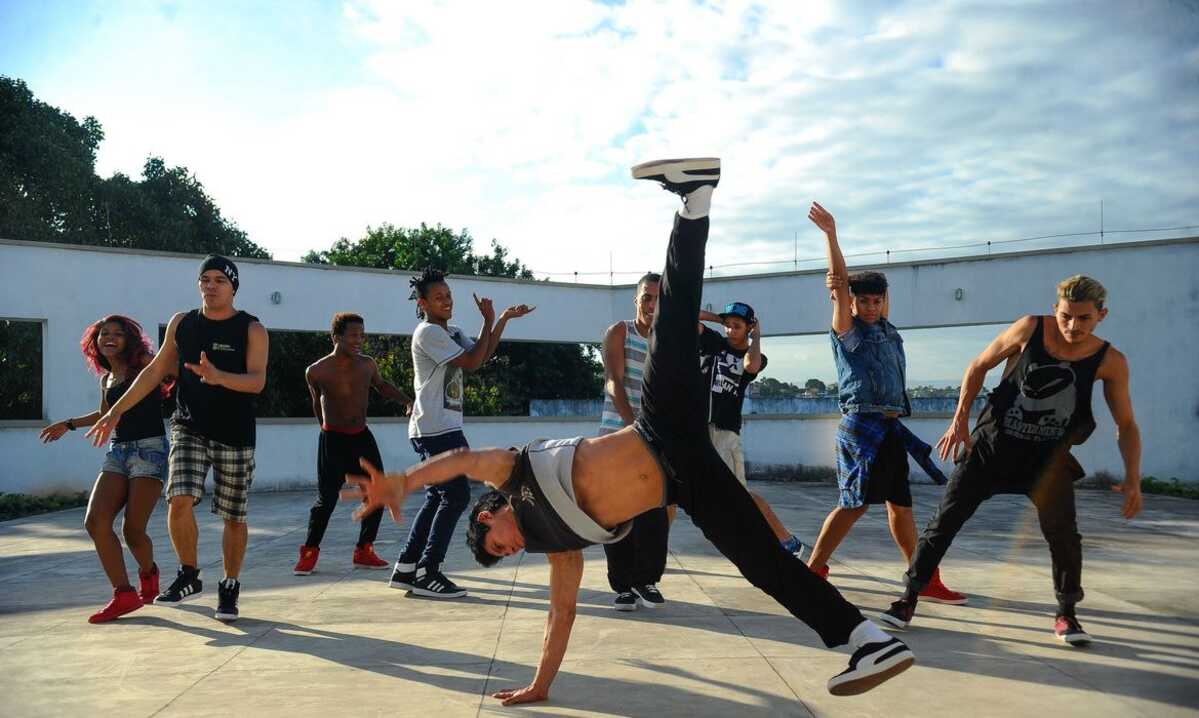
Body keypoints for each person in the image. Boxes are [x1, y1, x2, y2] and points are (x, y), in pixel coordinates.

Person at [346, 159, 914, 705]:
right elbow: (560, 616)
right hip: (685, 482)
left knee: (670, 319)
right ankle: (867, 640)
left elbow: (462, 463)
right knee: (761, 563)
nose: (512, 548)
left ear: (489, 513)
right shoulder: (560, 547)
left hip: (660, 427)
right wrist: (541, 684)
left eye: (499, 543)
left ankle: (694, 202)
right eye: (506, 554)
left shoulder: (510, 474)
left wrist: (404, 481)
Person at [879, 275, 1142, 646]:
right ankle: (907, 600)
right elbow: (978, 365)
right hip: (990, 450)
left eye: (1084, 318)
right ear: (1056, 309)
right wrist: (960, 420)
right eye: (1067, 316)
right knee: (944, 523)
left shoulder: (1110, 361)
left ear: (1101, 315)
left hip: (1047, 463)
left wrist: (1133, 476)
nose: (1073, 326)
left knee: (1064, 537)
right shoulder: (1029, 328)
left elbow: (1126, 424)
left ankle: (1067, 614)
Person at [88, 255, 268, 623]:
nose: (211, 285)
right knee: (179, 498)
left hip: (235, 433)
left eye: (220, 279)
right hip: (189, 426)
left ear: (233, 286)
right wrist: (115, 410)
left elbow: (257, 381)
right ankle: (189, 573)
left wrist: (219, 377)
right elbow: (155, 371)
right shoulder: (182, 324)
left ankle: (230, 584)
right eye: (205, 278)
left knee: (233, 515)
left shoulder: (252, 329)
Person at [803, 203, 965, 607]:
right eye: (865, 301)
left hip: (891, 428)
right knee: (853, 504)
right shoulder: (848, 332)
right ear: (853, 303)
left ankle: (922, 577)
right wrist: (831, 236)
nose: (872, 307)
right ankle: (813, 570)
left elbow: (870, 292)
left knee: (901, 506)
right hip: (861, 428)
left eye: (878, 300)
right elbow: (839, 284)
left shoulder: (887, 329)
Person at [388, 267, 534, 598]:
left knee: (438, 497)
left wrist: (499, 320)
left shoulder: (451, 332)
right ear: (423, 302)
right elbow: (470, 361)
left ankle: (408, 567)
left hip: (442, 427)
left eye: (449, 295)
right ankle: (428, 570)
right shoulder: (428, 333)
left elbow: (481, 356)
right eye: (438, 298)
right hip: (435, 428)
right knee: (455, 496)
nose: (447, 302)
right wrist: (489, 322)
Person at [41, 315, 169, 623]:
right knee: (95, 521)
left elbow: (172, 375)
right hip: (118, 452)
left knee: (133, 530)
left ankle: (149, 574)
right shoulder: (107, 378)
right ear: (95, 344)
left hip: (149, 450)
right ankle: (123, 594)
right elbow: (104, 414)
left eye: (117, 333)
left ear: (130, 340)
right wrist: (69, 424)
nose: (109, 338)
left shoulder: (144, 364)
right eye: (103, 334)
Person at [293, 312, 414, 575]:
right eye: (353, 335)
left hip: (361, 437)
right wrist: (325, 432)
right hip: (333, 439)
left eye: (362, 335)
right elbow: (317, 403)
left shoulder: (367, 365)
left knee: (377, 492)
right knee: (326, 500)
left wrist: (407, 400)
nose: (359, 340)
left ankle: (364, 550)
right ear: (337, 337)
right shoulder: (316, 371)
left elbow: (381, 386)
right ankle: (309, 552)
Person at [698, 302, 807, 555]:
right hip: (700, 428)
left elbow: (752, 366)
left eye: (737, 326)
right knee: (710, 493)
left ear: (749, 327)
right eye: (728, 325)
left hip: (724, 432)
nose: (730, 330)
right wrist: (721, 318)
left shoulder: (753, 355)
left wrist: (756, 336)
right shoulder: (713, 342)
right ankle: (750, 540)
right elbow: (687, 311)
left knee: (740, 495)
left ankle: (787, 541)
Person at [598, 272, 671, 611]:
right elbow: (614, 383)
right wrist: (633, 427)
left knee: (653, 509)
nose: (652, 304)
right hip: (618, 434)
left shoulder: (667, 339)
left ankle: (646, 579)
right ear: (636, 299)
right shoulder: (619, 332)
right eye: (647, 297)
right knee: (616, 513)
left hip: (654, 437)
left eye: (659, 298)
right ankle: (623, 586)